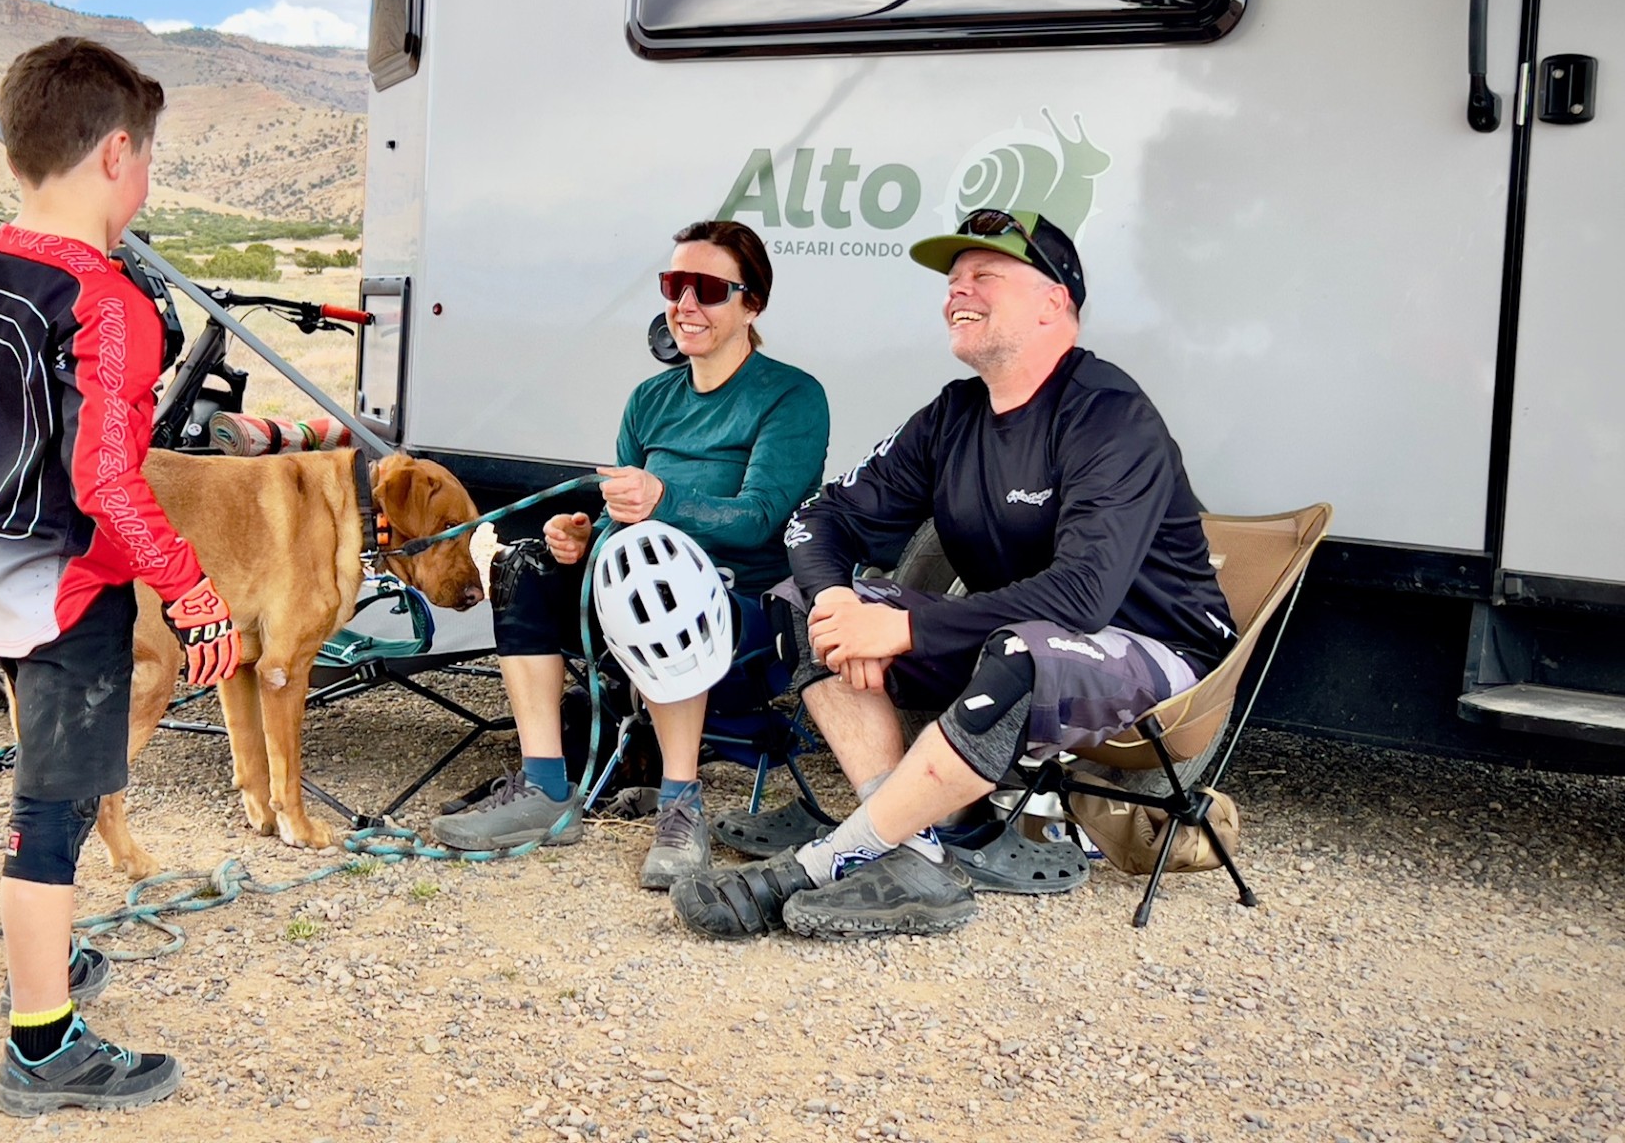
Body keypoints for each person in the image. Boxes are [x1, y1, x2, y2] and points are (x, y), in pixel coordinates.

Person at [671, 208, 1237, 940]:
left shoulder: (1110, 414)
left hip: (1157, 654)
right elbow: (819, 516)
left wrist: (905, 624)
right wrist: (842, 601)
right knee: (800, 604)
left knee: (1020, 651)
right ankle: (909, 850)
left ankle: (823, 862)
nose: (956, 292)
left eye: (984, 276)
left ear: (1052, 302)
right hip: (1021, 636)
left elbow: (1084, 595)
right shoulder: (953, 414)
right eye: (953, 279)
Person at [0, 37, 243, 1114]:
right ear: (117, 154)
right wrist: (193, 593)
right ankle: (41, 1046)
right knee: (50, 813)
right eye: (147, 163)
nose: (146, 183)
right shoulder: (109, 300)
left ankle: (45, 960)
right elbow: (107, 480)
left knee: (52, 790)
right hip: (72, 591)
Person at [431, 220, 829, 890]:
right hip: (637, 590)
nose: (686, 305)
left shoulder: (791, 396)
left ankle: (680, 804)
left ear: (751, 304)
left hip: (739, 615)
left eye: (708, 289)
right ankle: (546, 788)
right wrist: (587, 538)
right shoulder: (651, 398)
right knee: (525, 565)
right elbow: (627, 514)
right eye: (675, 286)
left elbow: (764, 520)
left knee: (655, 571)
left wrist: (660, 502)